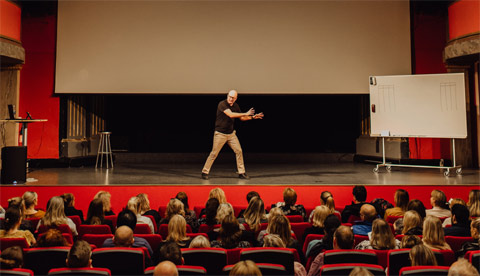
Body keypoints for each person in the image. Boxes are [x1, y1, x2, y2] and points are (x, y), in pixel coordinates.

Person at [201, 89, 264, 180]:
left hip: (231, 134)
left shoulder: (236, 106)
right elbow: (231, 115)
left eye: (233, 98)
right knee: (214, 153)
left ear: (236, 98)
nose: (231, 99)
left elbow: (242, 118)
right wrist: (246, 113)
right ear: (227, 96)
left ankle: (241, 172)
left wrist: (253, 117)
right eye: (230, 97)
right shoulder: (222, 104)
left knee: (239, 151)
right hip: (220, 134)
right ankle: (205, 172)